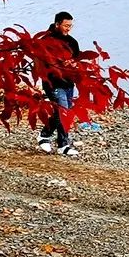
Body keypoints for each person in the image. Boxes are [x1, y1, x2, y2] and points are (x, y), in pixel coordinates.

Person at [37, 11, 80, 157]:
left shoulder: (73, 42)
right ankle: (63, 144)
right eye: (66, 25)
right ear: (57, 24)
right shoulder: (46, 41)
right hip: (53, 82)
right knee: (63, 111)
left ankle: (45, 135)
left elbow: (77, 61)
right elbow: (42, 62)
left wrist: (72, 65)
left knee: (61, 112)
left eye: (70, 26)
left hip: (68, 82)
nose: (68, 28)